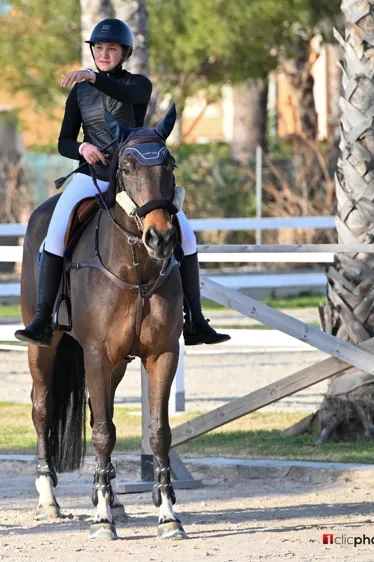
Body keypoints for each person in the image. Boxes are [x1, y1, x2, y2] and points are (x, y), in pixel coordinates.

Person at [15, 17, 230, 348]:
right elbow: (63, 142)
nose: (103, 53)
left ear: (124, 52)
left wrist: (93, 77)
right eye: (98, 48)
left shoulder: (138, 85)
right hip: (91, 178)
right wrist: (82, 148)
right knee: (54, 235)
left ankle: (196, 320)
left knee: (186, 235)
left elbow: (120, 91)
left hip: (133, 182)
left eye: (110, 49)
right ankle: (44, 317)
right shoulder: (79, 93)